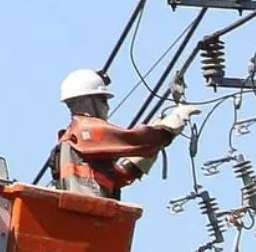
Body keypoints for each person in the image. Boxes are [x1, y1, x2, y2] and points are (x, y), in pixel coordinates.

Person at [54, 68, 200, 199]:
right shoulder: (85, 130)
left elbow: (118, 177)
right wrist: (175, 120)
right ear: (86, 100)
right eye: (103, 100)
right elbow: (140, 141)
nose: (107, 106)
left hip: (86, 217)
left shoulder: (70, 141)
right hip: (90, 213)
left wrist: (144, 156)